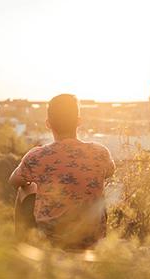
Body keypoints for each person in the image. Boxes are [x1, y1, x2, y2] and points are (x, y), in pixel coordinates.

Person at [9, 94, 115, 249]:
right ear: (79, 121)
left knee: (26, 188)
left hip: (52, 240)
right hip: (92, 239)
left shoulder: (37, 156)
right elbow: (110, 172)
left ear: (48, 124)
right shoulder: (100, 152)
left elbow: (13, 181)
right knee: (97, 185)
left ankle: (22, 246)